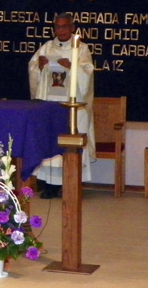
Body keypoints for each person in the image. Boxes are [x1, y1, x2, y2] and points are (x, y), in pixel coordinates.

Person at [28, 13, 95, 198]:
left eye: (65, 27)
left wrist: (72, 67)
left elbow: (87, 73)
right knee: (52, 140)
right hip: (51, 103)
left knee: (70, 140)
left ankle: (71, 184)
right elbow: (32, 68)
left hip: (72, 105)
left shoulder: (81, 49)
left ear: (72, 28)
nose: (61, 30)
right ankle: (50, 185)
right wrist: (39, 67)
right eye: (58, 27)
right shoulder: (47, 47)